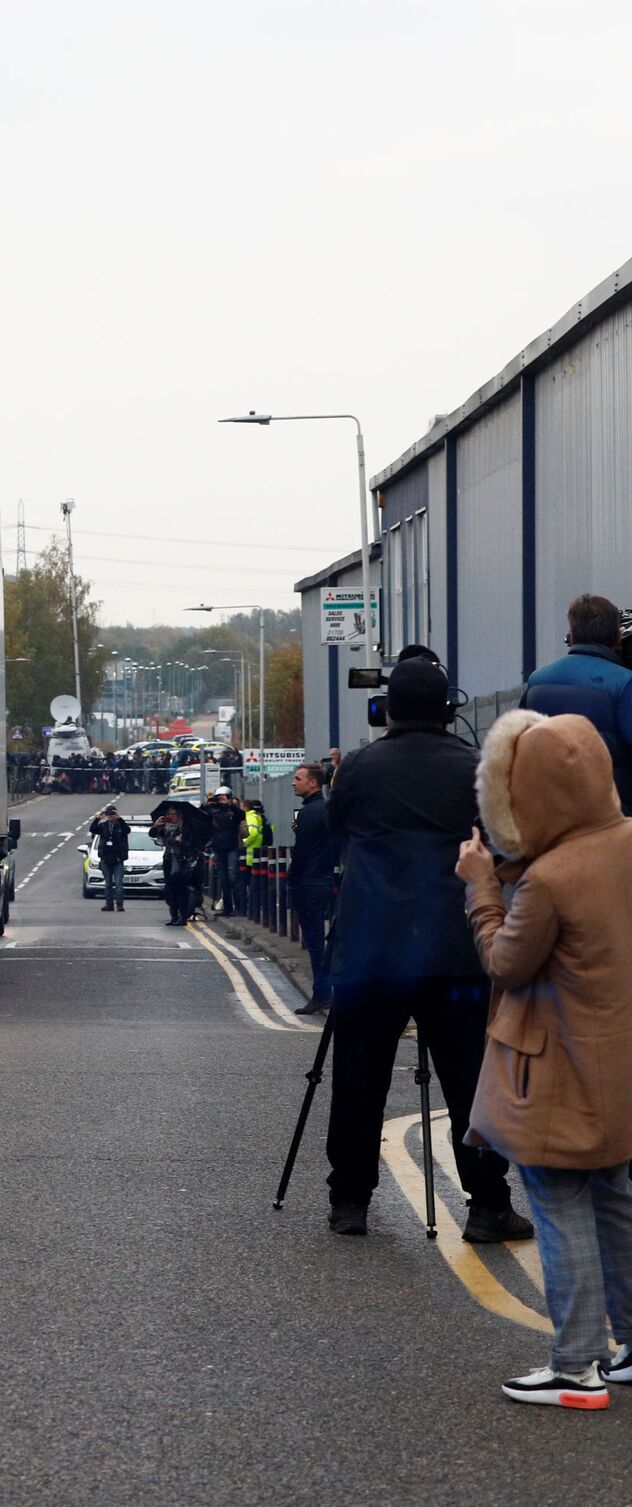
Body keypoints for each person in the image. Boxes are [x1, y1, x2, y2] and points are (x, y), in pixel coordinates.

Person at [322, 652, 533, 1242]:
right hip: (455, 950)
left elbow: (340, 827)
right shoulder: (475, 767)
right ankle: (489, 1205)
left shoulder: (360, 768)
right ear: (447, 709)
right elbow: (501, 841)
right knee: (471, 1080)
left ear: (388, 708)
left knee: (359, 1077)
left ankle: (351, 1201)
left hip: (371, 950)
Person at [458, 709, 632, 1408]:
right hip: (618, 1064)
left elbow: (506, 961)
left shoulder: (551, 880)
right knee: (618, 1198)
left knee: (559, 1205)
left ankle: (576, 1364)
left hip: (556, 1070)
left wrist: (481, 885)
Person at [522, 593, 632, 812]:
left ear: (571, 635)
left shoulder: (536, 680)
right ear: (617, 637)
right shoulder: (624, 683)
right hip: (610, 815)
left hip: (552, 812)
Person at [289, 763, 339, 1016]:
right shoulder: (328, 808)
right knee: (325, 941)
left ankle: (321, 994)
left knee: (315, 942)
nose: (293, 782)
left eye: (298, 778)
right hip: (327, 878)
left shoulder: (309, 813)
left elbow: (302, 852)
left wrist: (292, 879)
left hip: (308, 881)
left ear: (313, 783)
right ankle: (326, 992)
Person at [151, 807, 199, 926]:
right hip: (168, 860)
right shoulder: (164, 827)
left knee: (181, 890)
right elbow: (152, 835)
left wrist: (180, 841)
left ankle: (182, 916)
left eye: (173, 814)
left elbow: (192, 843)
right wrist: (156, 825)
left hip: (181, 861)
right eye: (168, 814)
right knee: (170, 890)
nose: (170, 816)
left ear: (178, 815)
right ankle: (173, 916)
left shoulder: (185, 827)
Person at [204, 786, 241, 917]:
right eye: (219, 797)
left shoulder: (233, 811)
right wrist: (206, 805)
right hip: (219, 848)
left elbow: (241, 816)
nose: (221, 800)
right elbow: (199, 816)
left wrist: (230, 805)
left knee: (233, 878)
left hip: (232, 847)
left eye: (224, 797)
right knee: (223, 880)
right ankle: (227, 908)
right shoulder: (213, 811)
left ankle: (239, 908)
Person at [90, 804, 131, 913]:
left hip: (118, 859)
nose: (110, 817)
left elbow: (127, 830)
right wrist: (98, 818)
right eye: (108, 815)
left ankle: (119, 905)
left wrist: (120, 818)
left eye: (112, 814)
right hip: (106, 859)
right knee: (108, 884)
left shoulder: (120, 825)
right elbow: (93, 829)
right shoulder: (103, 826)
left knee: (118, 884)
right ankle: (109, 904)